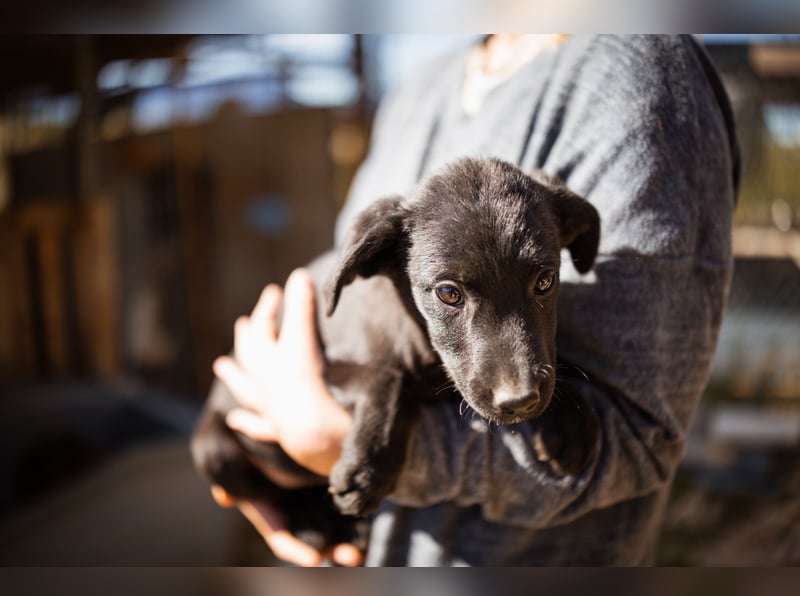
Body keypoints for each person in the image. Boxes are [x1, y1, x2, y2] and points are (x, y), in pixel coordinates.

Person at [210, 34, 739, 566]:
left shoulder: (637, 70)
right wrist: (266, 495)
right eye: (450, 294)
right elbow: (336, 333)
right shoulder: (414, 92)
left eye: (543, 283)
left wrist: (330, 441)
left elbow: (639, 437)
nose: (518, 385)